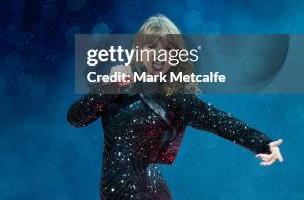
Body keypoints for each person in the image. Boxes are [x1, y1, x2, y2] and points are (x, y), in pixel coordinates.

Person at [67, 14, 283, 199]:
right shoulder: (118, 82)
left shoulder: (176, 96)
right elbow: (75, 118)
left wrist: (263, 143)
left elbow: (219, 121)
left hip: (149, 190)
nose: (160, 54)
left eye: (168, 49)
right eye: (152, 46)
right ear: (139, 50)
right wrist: (109, 86)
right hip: (116, 190)